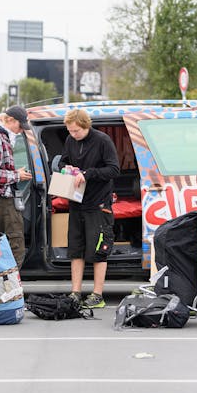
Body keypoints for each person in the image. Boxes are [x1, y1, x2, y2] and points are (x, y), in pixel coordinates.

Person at [59, 108, 120, 308]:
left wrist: (88, 173)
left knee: (98, 250)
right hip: (76, 201)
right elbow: (66, 160)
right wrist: (65, 167)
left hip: (98, 203)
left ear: (86, 126)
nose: (73, 135)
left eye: (76, 131)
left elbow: (113, 169)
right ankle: (75, 292)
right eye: (70, 131)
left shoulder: (103, 141)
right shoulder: (70, 141)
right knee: (76, 249)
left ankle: (97, 295)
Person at [0, 105, 33, 267]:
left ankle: (8, 285)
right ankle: (12, 286)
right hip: (2, 200)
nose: (21, 130)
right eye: (20, 126)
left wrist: (15, 172)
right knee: (14, 243)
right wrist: (17, 175)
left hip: (2, 198)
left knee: (10, 242)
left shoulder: (2, 138)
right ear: (10, 120)